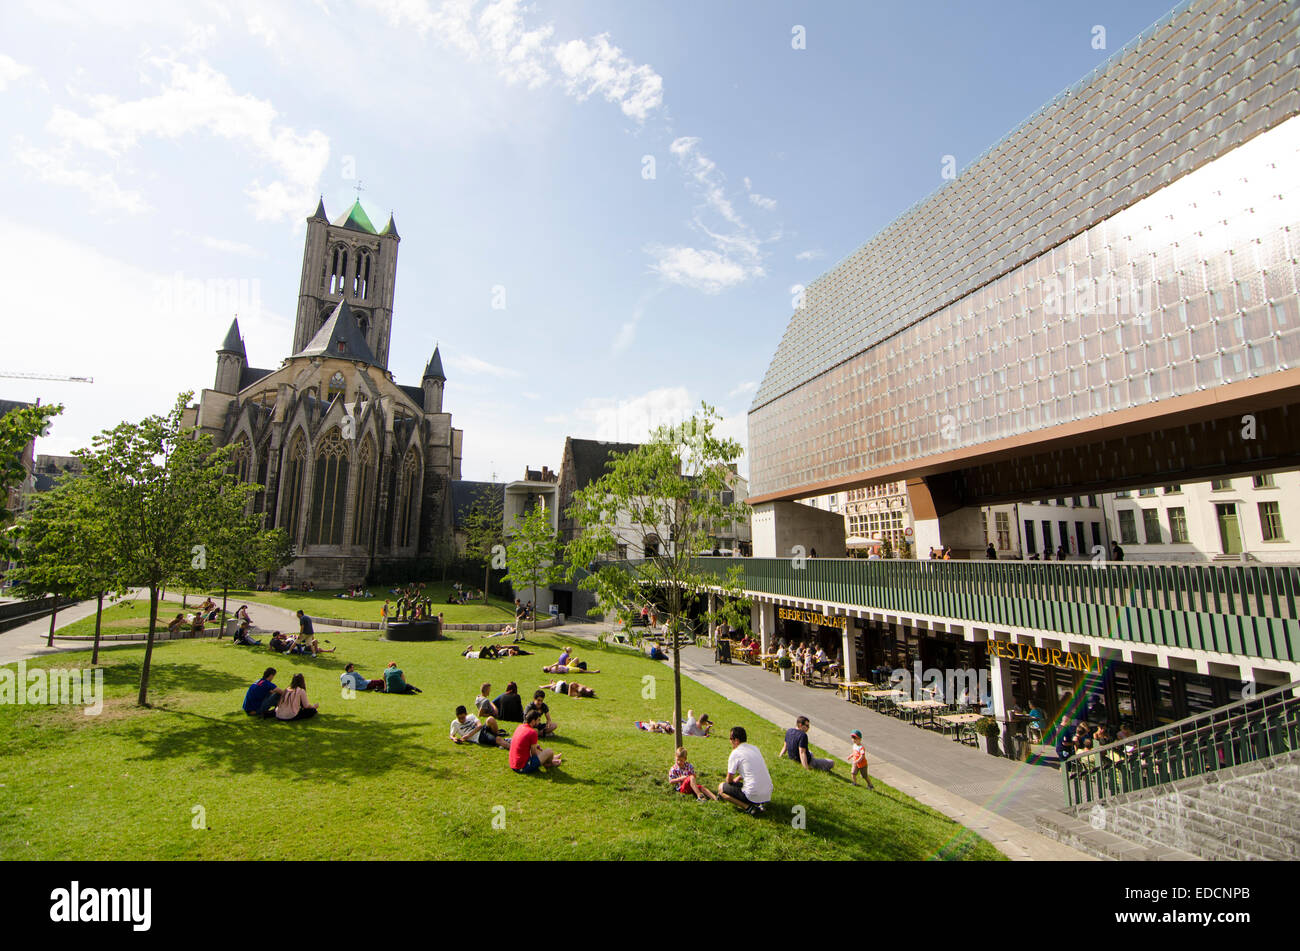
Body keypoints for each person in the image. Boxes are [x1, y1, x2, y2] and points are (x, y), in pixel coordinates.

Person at [718, 726, 773, 816]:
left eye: (731, 739)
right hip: (768, 793)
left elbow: (729, 780)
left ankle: (747, 807)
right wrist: (739, 777)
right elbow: (754, 769)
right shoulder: (755, 748)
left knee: (721, 788)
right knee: (744, 785)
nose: (730, 741)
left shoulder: (735, 753)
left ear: (736, 740)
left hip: (753, 793)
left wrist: (733, 781)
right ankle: (759, 803)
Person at [509, 709, 560, 773]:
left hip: (513, 764)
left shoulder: (520, 726)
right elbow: (533, 754)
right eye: (538, 720)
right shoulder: (533, 732)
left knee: (537, 748)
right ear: (533, 721)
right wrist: (541, 758)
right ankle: (550, 762)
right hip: (522, 767)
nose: (539, 722)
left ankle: (551, 758)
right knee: (549, 751)